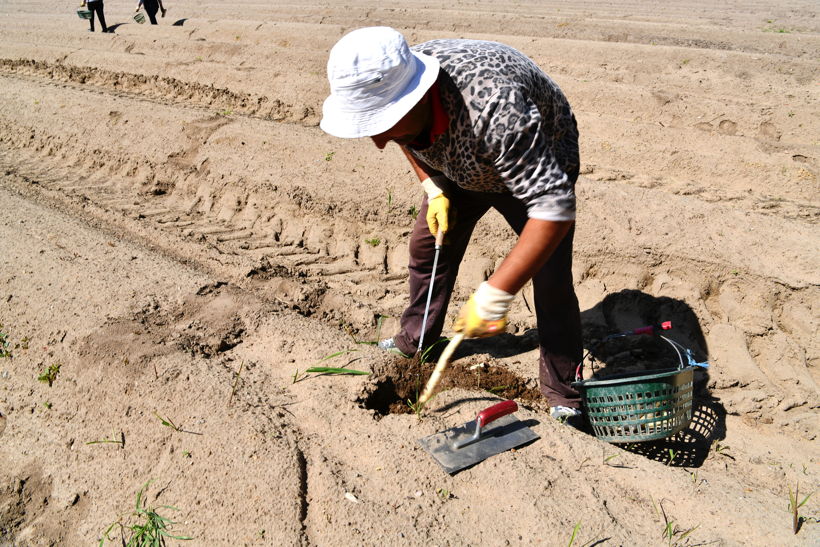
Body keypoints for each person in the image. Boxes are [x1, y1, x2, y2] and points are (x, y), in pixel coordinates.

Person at [320, 27, 583, 421]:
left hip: (532, 173)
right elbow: (406, 138)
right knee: (428, 248)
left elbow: (554, 208)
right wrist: (433, 187)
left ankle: (565, 395)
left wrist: (496, 292)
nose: (378, 142)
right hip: (456, 168)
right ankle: (415, 341)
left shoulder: (496, 105)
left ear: (418, 97)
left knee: (550, 280)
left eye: (384, 124)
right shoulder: (399, 75)